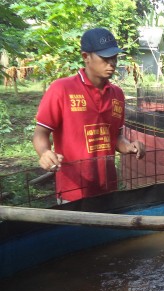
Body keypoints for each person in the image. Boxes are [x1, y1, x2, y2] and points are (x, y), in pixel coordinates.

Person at [33, 28, 145, 203]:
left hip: (108, 187)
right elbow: (41, 132)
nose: (112, 63)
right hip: (73, 191)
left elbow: (116, 137)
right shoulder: (62, 89)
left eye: (114, 57)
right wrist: (45, 153)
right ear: (86, 57)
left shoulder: (117, 94)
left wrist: (129, 146)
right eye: (105, 58)